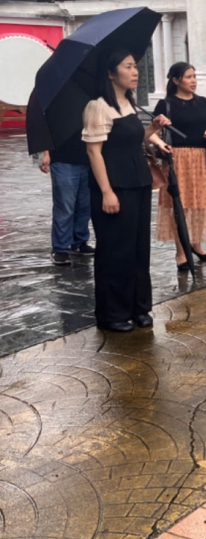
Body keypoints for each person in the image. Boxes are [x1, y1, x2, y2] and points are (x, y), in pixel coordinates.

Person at [82, 49, 171, 333]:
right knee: (115, 250)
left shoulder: (130, 104)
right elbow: (94, 152)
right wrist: (107, 192)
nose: (135, 72)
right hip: (114, 184)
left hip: (138, 181)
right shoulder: (98, 106)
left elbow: (132, 141)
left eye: (135, 66)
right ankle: (112, 313)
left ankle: (138, 307)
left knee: (137, 248)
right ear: (111, 73)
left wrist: (152, 128)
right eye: (128, 66)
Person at [153, 62, 206, 270]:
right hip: (177, 159)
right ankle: (181, 251)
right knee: (178, 205)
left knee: (200, 203)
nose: (193, 80)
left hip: (201, 158)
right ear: (176, 80)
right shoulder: (166, 104)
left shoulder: (202, 102)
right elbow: (152, 132)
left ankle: (196, 244)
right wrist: (161, 144)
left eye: (194, 76)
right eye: (189, 77)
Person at [39, 134, 93, 265]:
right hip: (62, 157)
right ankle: (61, 248)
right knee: (65, 206)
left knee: (85, 205)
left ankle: (79, 241)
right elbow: (40, 126)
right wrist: (43, 153)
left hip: (89, 156)